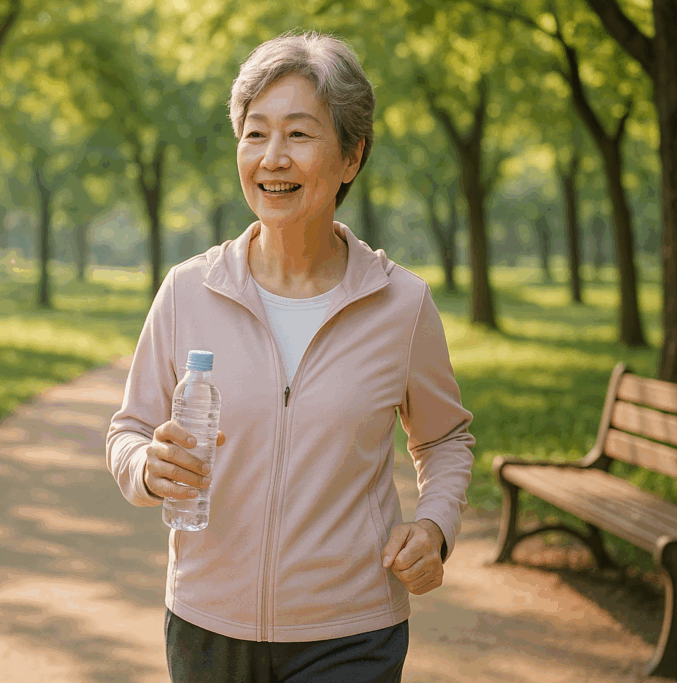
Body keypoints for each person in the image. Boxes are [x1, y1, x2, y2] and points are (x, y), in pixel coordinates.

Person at [106, 29, 475, 683]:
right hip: (206, 622)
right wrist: (146, 466)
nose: (272, 157)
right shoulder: (187, 290)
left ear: (352, 156)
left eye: (299, 135)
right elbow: (129, 429)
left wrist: (433, 526)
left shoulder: (402, 305)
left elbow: (445, 439)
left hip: (352, 628)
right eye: (255, 134)